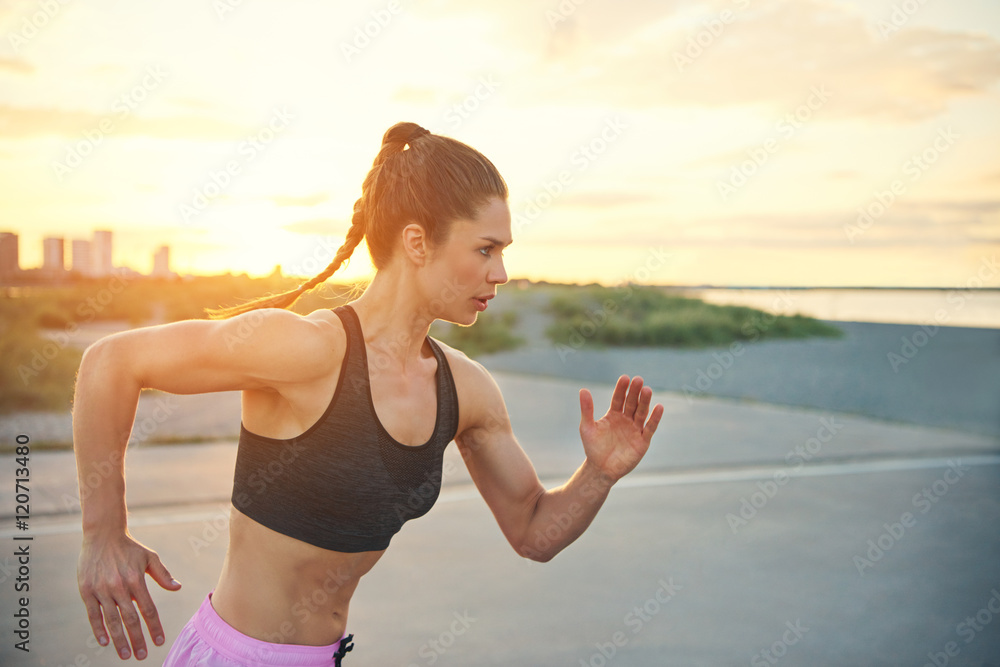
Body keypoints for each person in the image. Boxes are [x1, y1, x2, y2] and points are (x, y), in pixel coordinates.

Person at [72, 121, 664, 665]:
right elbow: (110, 363)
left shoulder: (468, 391)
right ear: (416, 242)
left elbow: (534, 532)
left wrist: (599, 474)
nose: (501, 273)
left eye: (502, 252)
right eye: (486, 249)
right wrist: (103, 534)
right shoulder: (304, 350)